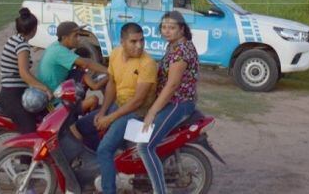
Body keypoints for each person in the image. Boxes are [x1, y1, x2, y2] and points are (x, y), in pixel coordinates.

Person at [75, 23, 158, 194]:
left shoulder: (147, 63)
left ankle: (108, 189)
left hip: (137, 113)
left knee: (104, 149)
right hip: (118, 106)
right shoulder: (115, 54)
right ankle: (105, 169)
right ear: (122, 41)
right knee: (82, 126)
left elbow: (138, 101)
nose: (139, 45)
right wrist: (103, 111)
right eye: (133, 41)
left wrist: (109, 119)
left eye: (142, 40)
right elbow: (112, 85)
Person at [137, 11, 199, 194]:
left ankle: (159, 191)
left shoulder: (181, 50)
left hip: (178, 103)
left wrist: (152, 112)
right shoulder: (173, 46)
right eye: (164, 27)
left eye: (171, 28)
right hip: (170, 101)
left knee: (144, 146)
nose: (167, 31)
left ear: (181, 29)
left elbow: (172, 85)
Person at [0, 8, 53, 134]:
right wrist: (44, 88)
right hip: (13, 96)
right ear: (34, 29)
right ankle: (22, 154)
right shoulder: (22, 46)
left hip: (11, 93)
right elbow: (24, 74)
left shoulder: (14, 39)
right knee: (30, 131)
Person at [36, 21, 108, 103]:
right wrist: (109, 71)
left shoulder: (55, 46)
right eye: (75, 36)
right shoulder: (59, 51)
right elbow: (86, 63)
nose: (79, 38)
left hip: (49, 92)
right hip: (54, 98)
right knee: (103, 78)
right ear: (64, 38)